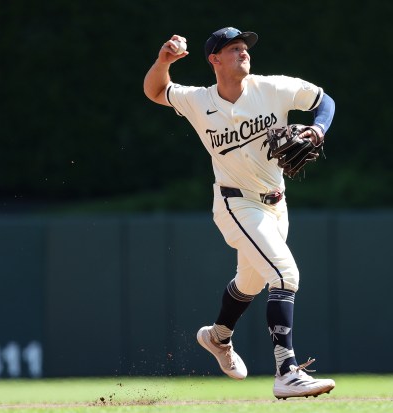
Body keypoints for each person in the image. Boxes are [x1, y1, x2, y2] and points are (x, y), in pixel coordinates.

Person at [143, 27, 336, 399]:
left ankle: (217, 337)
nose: (243, 52)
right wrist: (163, 61)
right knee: (285, 273)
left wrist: (317, 129)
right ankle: (287, 372)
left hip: (276, 204)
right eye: (233, 49)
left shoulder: (272, 87)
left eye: (244, 47)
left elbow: (324, 101)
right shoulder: (198, 100)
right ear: (214, 60)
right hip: (235, 203)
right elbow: (155, 90)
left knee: (250, 283)